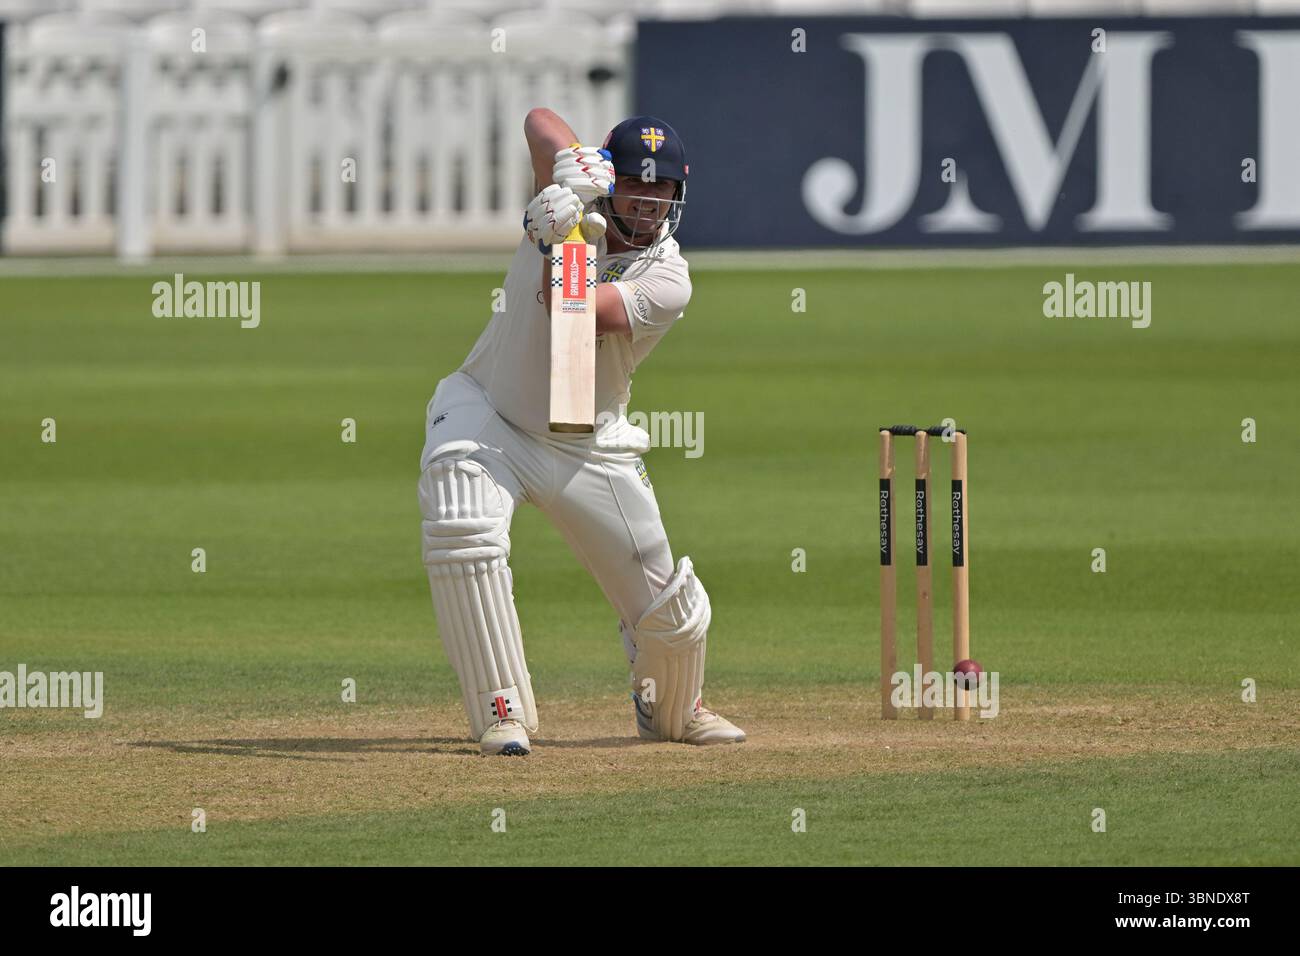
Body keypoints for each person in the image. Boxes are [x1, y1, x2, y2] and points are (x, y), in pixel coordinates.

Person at [417, 108, 745, 756]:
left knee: (671, 617)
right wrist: (569, 165)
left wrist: (556, 242)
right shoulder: (574, 197)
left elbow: (576, 316)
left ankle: (672, 707)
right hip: (490, 412)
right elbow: (539, 122)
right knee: (463, 526)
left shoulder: (668, 277)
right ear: (612, 180)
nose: (649, 204)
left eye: (663, 191)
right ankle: (501, 711)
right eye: (636, 187)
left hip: (589, 440)